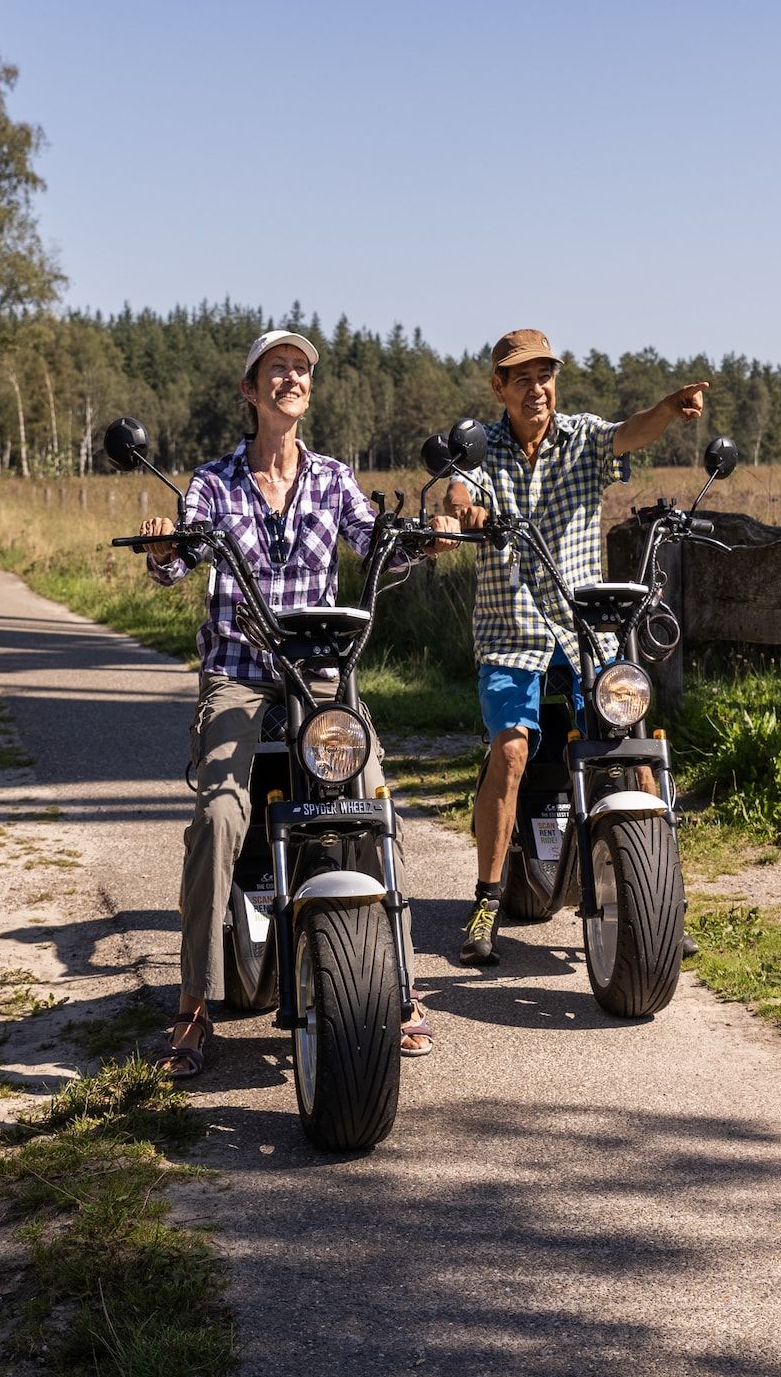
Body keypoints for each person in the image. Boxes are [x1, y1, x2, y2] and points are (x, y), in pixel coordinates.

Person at [140, 329, 454, 1075]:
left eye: (302, 369)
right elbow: (176, 562)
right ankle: (192, 1007)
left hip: (318, 674)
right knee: (219, 811)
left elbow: (376, 544)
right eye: (277, 369)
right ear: (251, 392)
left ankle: (401, 985)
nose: (293, 378)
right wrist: (162, 550)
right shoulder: (213, 484)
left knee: (375, 796)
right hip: (242, 672)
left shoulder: (334, 478)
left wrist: (426, 538)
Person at [445, 328, 707, 965]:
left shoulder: (581, 437)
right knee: (509, 751)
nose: (537, 388)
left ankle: (663, 898)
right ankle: (486, 901)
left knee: (632, 737)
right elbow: (456, 491)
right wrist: (462, 513)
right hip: (511, 631)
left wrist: (669, 409)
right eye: (522, 378)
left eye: (545, 376)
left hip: (584, 625)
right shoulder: (481, 447)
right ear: (499, 387)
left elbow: (629, 432)